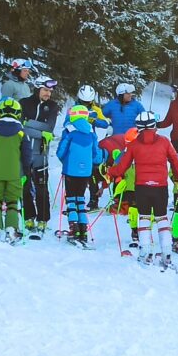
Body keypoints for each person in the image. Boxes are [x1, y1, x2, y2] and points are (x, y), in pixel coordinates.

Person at [107, 111, 178, 270]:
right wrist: (177, 178)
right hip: (160, 187)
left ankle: (145, 253)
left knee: (145, 218)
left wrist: (110, 172)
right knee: (162, 218)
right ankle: (166, 253)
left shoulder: (133, 145)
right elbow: (175, 160)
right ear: (154, 125)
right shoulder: (164, 142)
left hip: (141, 187)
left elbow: (122, 166)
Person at [0, 98, 32, 244]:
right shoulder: (21, 131)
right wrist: (26, 170)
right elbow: (27, 154)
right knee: (12, 202)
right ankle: (11, 229)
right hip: (14, 172)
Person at [57, 105, 105, 248]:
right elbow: (96, 157)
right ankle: (83, 230)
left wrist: (66, 161)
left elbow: (60, 152)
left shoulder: (69, 131)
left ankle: (73, 228)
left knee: (71, 200)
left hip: (71, 171)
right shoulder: (91, 132)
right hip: (86, 173)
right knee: (81, 199)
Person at [19, 76, 59, 239]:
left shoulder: (53, 106)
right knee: (25, 186)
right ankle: (29, 217)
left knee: (41, 187)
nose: (48, 94)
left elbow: (49, 128)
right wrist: (40, 131)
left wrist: (30, 124)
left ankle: (43, 219)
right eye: (45, 90)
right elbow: (20, 126)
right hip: (25, 151)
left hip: (41, 153)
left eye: (49, 91)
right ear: (37, 89)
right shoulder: (24, 103)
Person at [100, 129, 139, 250]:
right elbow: (115, 169)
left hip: (142, 186)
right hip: (128, 187)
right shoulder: (124, 154)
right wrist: (116, 177)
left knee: (141, 210)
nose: (128, 145)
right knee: (133, 209)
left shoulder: (145, 153)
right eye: (126, 143)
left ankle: (144, 231)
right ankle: (135, 231)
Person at [72, 84, 109, 211]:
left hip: (90, 143)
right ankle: (75, 200)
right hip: (76, 142)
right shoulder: (73, 108)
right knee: (75, 171)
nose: (86, 105)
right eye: (84, 102)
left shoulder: (95, 109)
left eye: (88, 102)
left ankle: (93, 200)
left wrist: (94, 121)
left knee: (92, 170)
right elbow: (67, 122)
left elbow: (105, 123)